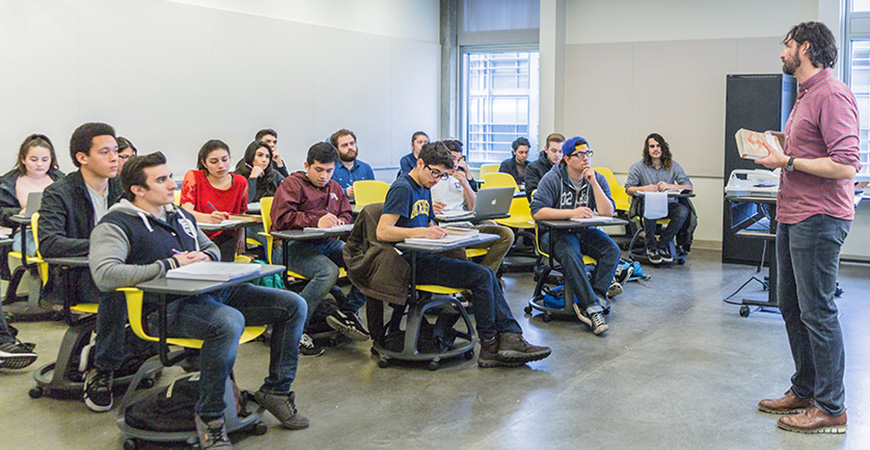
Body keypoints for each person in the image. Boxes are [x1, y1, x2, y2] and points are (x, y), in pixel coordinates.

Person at [89, 152, 308, 448]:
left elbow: (211, 248)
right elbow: (105, 274)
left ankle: (276, 392)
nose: (171, 184)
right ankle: (210, 417)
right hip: (163, 309)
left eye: (169, 176)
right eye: (161, 179)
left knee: (293, 305)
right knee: (228, 321)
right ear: (137, 190)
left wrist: (206, 256)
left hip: (210, 292)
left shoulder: (179, 214)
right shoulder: (115, 224)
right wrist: (170, 265)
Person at [755, 21, 860, 435]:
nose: (782, 53)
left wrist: (788, 162)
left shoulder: (833, 95)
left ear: (807, 47)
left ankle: (831, 409)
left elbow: (846, 164)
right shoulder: (806, 96)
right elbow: (809, 146)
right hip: (793, 212)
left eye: (787, 46)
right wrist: (779, 142)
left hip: (819, 217)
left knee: (818, 312)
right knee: (791, 306)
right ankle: (806, 388)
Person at [377, 141, 551, 368]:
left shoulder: (424, 187)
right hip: (409, 264)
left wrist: (446, 233)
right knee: (481, 277)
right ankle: (490, 346)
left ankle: (509, 337)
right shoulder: (403, 188)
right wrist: (423, 232)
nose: (436, 179)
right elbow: (383, 231)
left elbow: (428, 221)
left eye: (441, 175)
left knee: (486, 274)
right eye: (434, 173)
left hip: (427, 256)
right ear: (420, 163)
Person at [271, 142, 369, 356]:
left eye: (329, 171)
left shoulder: (334, 188)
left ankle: (348, 312)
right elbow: (282, 219)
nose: (324, 176)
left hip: (326, 243)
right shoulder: (291, 184)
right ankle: (295, 332)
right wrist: (317, 221)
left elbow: (345, 213)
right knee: (328, 272)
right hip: (291, 246)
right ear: (307, 165)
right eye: (319, 170)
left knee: (367, 263)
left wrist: (339, 221)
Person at [529, 136, 621, 336]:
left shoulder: (596, 178)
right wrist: (571, 213)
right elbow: (537, 212)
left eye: (588, 153)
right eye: (579, 155)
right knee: (571, 252)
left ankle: (592, 298)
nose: (585, 158)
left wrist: (594, 184)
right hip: (554, 234)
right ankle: (593, 309)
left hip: (583, 231)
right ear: (567, 159)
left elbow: (607, 212)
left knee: (612, 250)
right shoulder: (553, 178)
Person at [38, 123, 122, 301]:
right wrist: (105, 246)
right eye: (105, 152)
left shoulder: (124, 188)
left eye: (116, 151)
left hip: (123, 267)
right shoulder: (59, 193)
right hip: (80, 276)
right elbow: (49, 244)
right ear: (82, 157)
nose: (114, 158)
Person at [430, 139, 513, 273]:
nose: (455, 164)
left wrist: (466, 184)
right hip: (446, 228)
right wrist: (430, 208)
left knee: (506, 234)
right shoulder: (432, 179)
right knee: (457, 247)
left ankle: (485, 275)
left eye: (459, 159)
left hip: (466, 226)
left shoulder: (460, 179)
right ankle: (476, 281)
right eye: (452, 159)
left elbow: (475, 210)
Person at [624, 133, 693, 264]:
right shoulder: (638, 167)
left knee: (683, 210)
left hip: (668, 204)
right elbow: (628, 189)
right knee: (652, 208)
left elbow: (689, 187)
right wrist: (645, 189)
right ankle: (651, 248)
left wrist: (670, 186)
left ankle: (662, 245)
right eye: (652, 146)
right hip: (646, 204)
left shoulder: (674, 166)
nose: (655, 149)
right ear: (647, 149)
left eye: (658, 146)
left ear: (663, 148)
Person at [180, 140, 248, 262]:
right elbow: (186, 211)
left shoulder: (240, 182)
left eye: (225, 160)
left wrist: (241, 236)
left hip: (226, 236)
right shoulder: (194, 177)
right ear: (204, 163)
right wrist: (209, 218)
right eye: (214, 162)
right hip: (197, 235)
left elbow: (241, 214)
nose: (221, 165)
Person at [0, 134, 64, 256]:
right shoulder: (6, 184)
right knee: (41, 250)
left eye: (45, 160)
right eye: (34, 160)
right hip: (24, 233)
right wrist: (18, 213)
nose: (40, 164)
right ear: (23, 159)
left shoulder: (62, 181)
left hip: (58, 233)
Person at [329, 129, 375, 201]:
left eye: (352, 143)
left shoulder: (366, 168)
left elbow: (374, 192)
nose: (350, 147)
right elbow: (324, 195)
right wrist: (344, 192)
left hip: (364, 209)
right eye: (344, 145)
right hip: (339, 209)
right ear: (336, 149)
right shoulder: (330, 169)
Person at [524, 133, 564, 202]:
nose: (557, 155)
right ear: (546, 149)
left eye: (560, 151)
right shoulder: (533, 168)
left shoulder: (567, 168)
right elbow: (532, 195)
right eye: (553, 151)